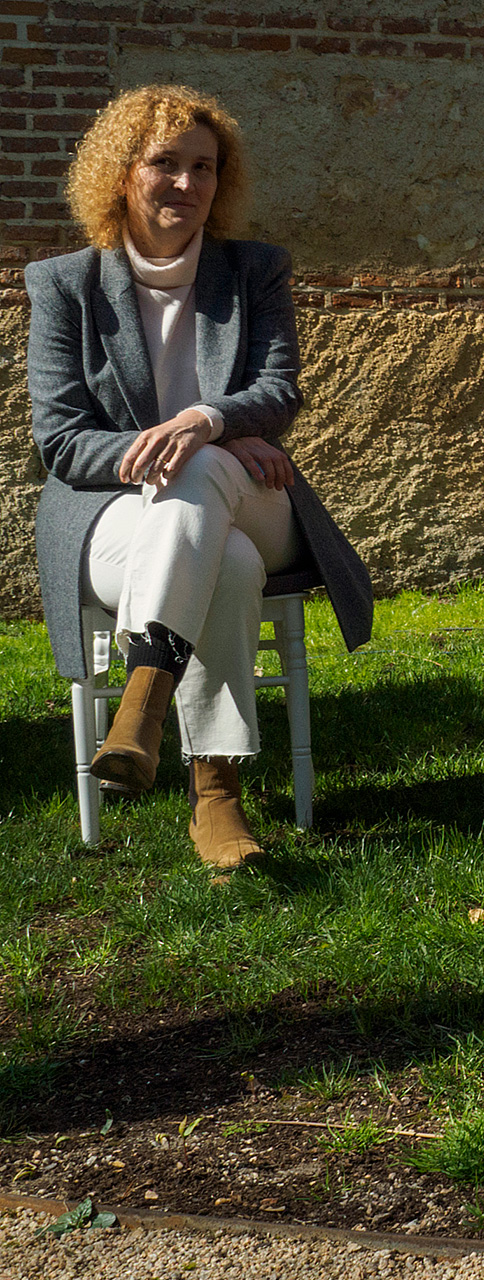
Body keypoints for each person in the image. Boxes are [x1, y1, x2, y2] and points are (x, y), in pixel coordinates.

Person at [27, 84, 371, 868]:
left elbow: (277, 391)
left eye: (204, 167)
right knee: (228, 563)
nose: (187, 183)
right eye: (165, 164)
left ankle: (143, 703)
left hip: (257, 497)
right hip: (115, 509)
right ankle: (215, 798)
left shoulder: (255, 271)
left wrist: (211, 424)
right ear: (122, 172)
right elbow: (63, 441)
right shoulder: (64, 285)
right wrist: (181, 442)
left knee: (212, 468)